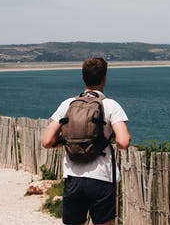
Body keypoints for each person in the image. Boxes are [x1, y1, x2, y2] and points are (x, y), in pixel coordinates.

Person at [42, 57, 131, 225]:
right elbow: (123, 142)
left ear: (83, 78)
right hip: (101, 178)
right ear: (104, 78)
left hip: (73, 177)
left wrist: (67, 141)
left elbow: (47, 141)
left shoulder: (68, 104)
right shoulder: (111, 105)